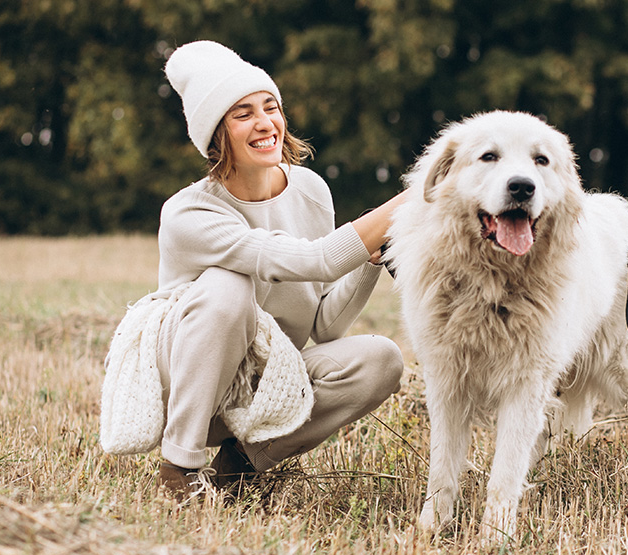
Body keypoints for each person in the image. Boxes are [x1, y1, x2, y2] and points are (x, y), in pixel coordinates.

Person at [101, 40, 405, 501]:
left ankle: (239, 464)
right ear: (216, 134)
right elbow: (316, 259)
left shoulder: (310, 191)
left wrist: (369, 260)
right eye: (243, 114)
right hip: (185, 387)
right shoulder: (190, 214)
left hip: (266, 384)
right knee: (227, 286)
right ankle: (179, 467)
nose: (266, 124)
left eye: (271, 107)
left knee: (382, 359)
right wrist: (414, 194)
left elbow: (324, 325)